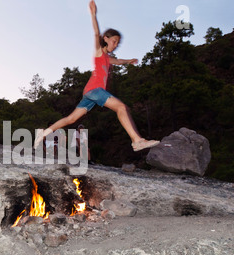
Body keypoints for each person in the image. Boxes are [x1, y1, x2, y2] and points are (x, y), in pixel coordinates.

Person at [34, 0, 159, 152]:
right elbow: (95, 33)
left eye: (117, 43)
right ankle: (137, 141)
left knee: (71, 119)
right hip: (95, 89)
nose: (115, 45)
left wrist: (129, 60)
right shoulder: (99, 53)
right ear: (106, 39)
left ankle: (43, 134)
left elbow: (118, 61)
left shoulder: (108, 59)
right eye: (114, 41)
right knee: (121, 107)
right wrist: (93, 15)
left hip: (90, 93)